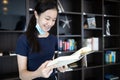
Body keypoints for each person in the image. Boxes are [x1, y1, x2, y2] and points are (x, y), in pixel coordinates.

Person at [15, 0, 68, 80]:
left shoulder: (53, 39)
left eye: (53, 20)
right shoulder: (23, 40)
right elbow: (22, 75)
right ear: (36, 14)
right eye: (47, 18)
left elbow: (51, 62)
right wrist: (38, 73)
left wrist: (59, 66)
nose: (50, 24)